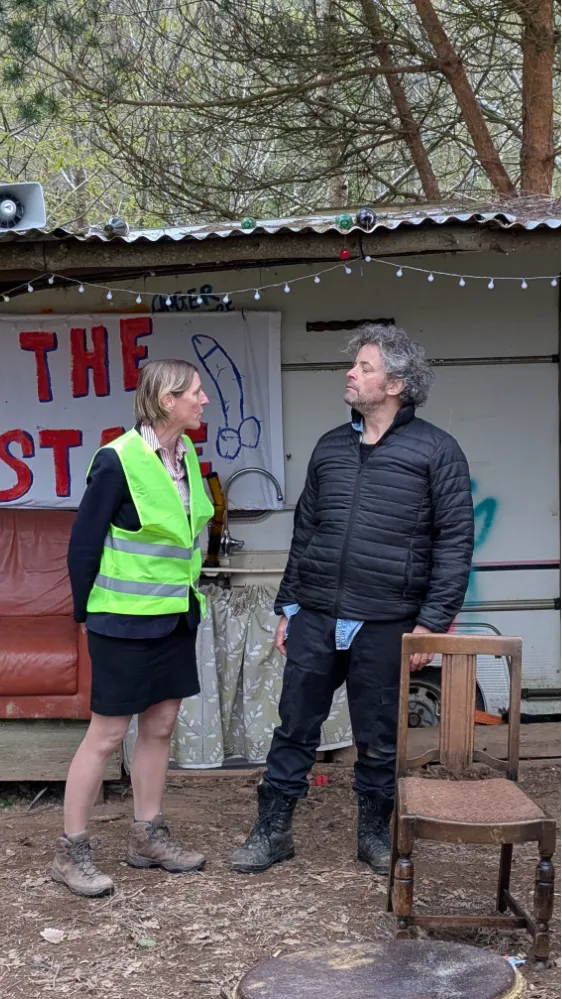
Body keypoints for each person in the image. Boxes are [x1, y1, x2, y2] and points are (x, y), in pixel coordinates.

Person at [231, 323, 474, 876]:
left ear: (397, 383)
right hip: (316, 612)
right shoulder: (330, 446)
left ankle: (374, 836)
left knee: (380, 738)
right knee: (294, 727)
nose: (351, 373)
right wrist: (289, 607)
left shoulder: (438, 451)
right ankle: (272, 832)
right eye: (356, 365)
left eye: (365, 367)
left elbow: (455, 544)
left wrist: (431, 624)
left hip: (389, 620)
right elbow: (307, 530)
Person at [52, 359, 214, 897]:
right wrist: (86, 615)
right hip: (121, 621)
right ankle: (71, 853)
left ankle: (146, 835)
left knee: (162, 725)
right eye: (196, 392)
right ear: (168, 400)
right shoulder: (117, 459)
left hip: (173, 616)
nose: (203, 400)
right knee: (106, 735)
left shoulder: (186, 453)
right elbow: (83, 544)